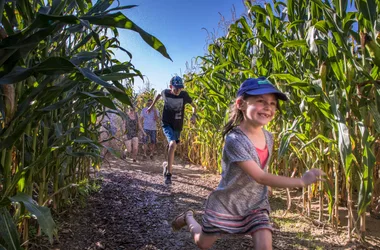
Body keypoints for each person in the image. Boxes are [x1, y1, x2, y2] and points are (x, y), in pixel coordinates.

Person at [171, 77, 325, 249]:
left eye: (273, 103)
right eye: (260, 101)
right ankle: (188, 217)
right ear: (241, 104)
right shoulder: (235, 140)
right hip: (227, 203)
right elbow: (260, 176)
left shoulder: (269, 137)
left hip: (256, 205)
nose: (268, 107)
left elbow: (262, 167)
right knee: (203, 243)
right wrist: (301, 181)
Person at [147, 76, 197, 184]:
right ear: (170, 87)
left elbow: (194, 106)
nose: (178, 90)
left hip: (178, 126)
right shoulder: (166, 93)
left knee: (173, 147)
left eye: (180, 88)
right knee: (172, 144)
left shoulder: (184, 95)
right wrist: (151, 107)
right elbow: (159, 95)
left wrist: (194, 115)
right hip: (166, 123)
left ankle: (166, 165)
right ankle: (169, 175)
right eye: (176, 88)